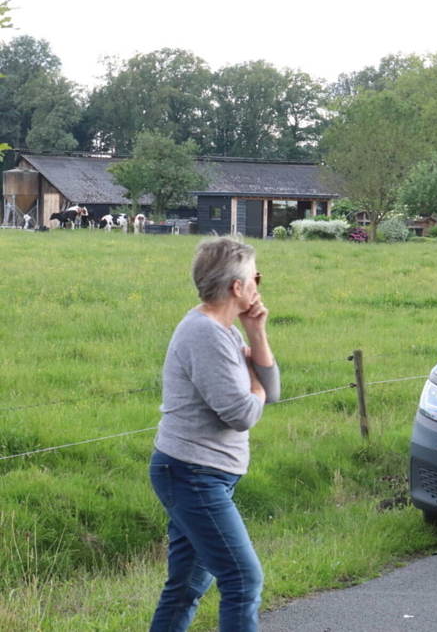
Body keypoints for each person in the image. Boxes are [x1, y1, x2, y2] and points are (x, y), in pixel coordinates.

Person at [148, 235, 280, 632]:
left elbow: (271, 392)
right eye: (256, 276)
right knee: (243, 579)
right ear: (237, 287)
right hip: (192, 473)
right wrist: (254, 387)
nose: (259, 284)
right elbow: (242, 413)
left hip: (208, 473)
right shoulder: (204, 334)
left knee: (188, 584)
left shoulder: (227, 330)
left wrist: (256, 332)